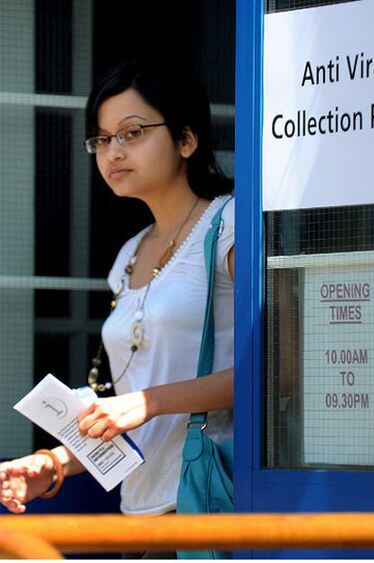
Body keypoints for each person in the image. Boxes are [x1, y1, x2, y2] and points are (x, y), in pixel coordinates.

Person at [0, 58, 234, 556]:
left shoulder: (230, 227)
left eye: (132, 132)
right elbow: (128, 411)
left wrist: (147, 401)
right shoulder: (129, 255)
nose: (113, 151)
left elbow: (282, 374)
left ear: (186, 140)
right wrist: (56, 464)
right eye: (102, 139)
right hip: (139, 517)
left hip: (211, 506)